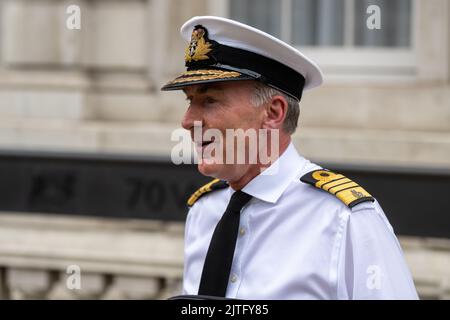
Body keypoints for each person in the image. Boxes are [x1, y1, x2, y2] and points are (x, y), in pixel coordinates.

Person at [161, 16, 418, 299]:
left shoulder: (344, 220)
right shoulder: (203, 211)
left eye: (210, 100)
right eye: (190, 101)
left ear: (273, 113)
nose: (187, 121)